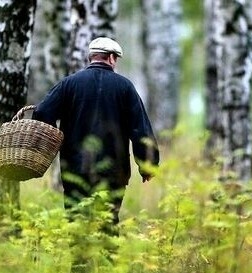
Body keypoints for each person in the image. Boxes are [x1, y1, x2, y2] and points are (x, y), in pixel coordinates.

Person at [33, 37, 159, 229]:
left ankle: (79, 260)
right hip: (113, 172)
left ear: (91, 58)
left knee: (76, 223)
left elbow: (42, 112)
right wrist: (148, 165)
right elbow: (140, 129)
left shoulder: (69, 84)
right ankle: (106, 258)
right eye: (115, 58)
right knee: (107, 224)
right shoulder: (125, 87)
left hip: (75, 168)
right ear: (110, 58)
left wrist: (53, 142)